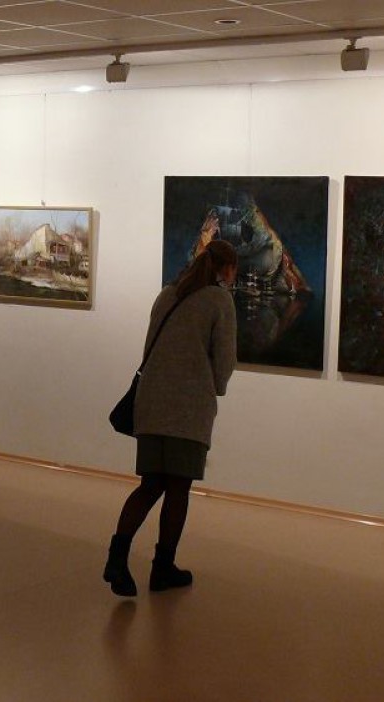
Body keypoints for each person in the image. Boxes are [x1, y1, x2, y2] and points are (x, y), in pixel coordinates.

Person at [103, 239, 238, 596]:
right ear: (227, 269)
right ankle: (163, 567)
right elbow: (224, 361)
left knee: (150, 485)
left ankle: (117, 557)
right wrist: (215, 387)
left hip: (152, 403)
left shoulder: (167, 294)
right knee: (178, 489)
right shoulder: (219, 300)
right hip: (188, 408)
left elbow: (150, 347)